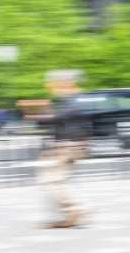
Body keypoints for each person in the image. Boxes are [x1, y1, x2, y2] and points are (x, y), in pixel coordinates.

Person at [36, 69, 91, 229]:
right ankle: (70, 213)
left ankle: (78, 209)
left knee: (52, 180)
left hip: (68, 144)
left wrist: (37, 115)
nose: (51, 87)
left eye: (54, 84)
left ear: (67, 83)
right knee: (54, 180)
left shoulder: (76, 99)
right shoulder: (71, 99)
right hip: (66, 144)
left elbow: (59, 117)